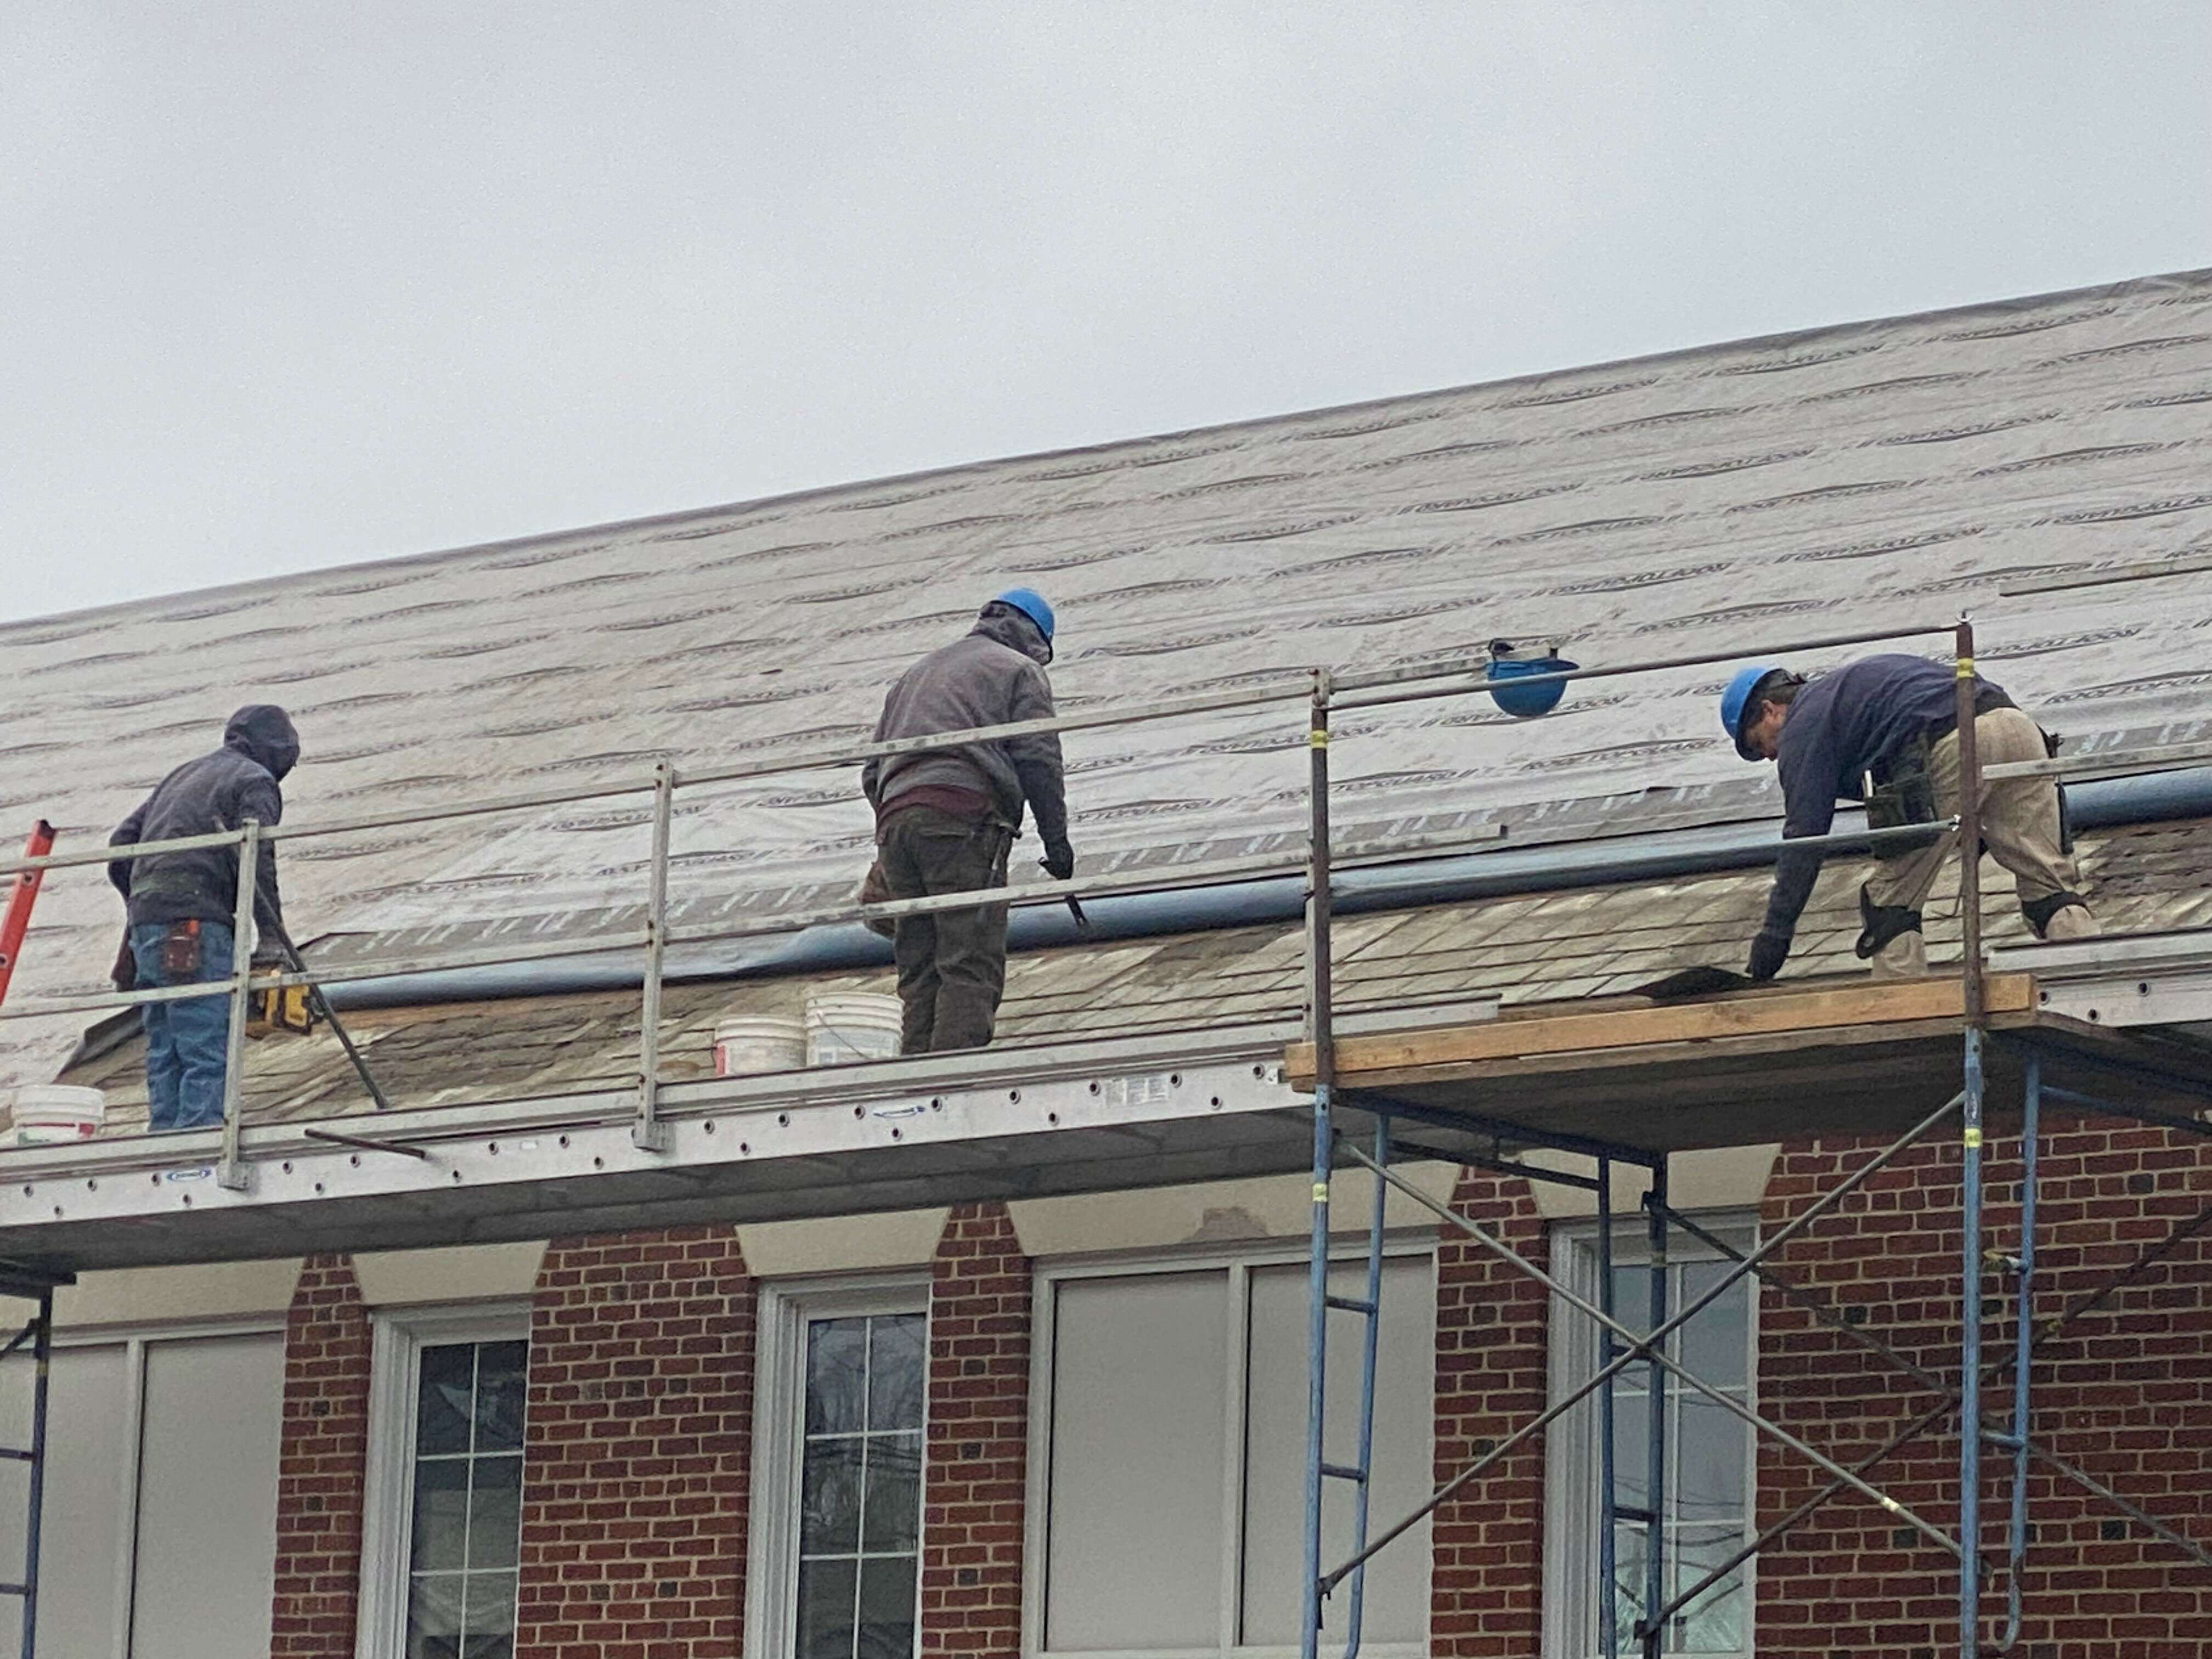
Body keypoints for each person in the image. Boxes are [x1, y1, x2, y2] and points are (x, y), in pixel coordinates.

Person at [1721, 654, 2096, 982]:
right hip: (2017, 727)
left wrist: (1775, 936)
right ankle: (2095, 977)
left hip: (1953, 743)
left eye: (1759, 744)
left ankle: (1908, 1016)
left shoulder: (1803, 724)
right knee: (2048, 888)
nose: (1769, 757)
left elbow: (1805, 837)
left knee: (1890, 903)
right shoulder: (1849, 694)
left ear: (1771, 710)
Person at [862, 590, 1072, 1054]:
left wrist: (898, 826)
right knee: (969, 961)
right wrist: (1058, 845)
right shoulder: (1019, 670)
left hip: (897, 825)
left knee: (920, 968)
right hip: (964, 819)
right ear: (1036, 639)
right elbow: (1038, 758)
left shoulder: (914, 676)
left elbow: (872, 772)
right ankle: (952, 1084)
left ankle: (916, 1086)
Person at [108, 705, 301, 1130]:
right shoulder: (255, 780)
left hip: (149, 926)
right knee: (205, 1044)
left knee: (165, 1047)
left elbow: (121, 844)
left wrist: (142, 905)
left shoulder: (183, 775)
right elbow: (258, 856)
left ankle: (164, 1144)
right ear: (277, 749)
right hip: (196, 928)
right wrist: (271, 936)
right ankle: (198, 1148)